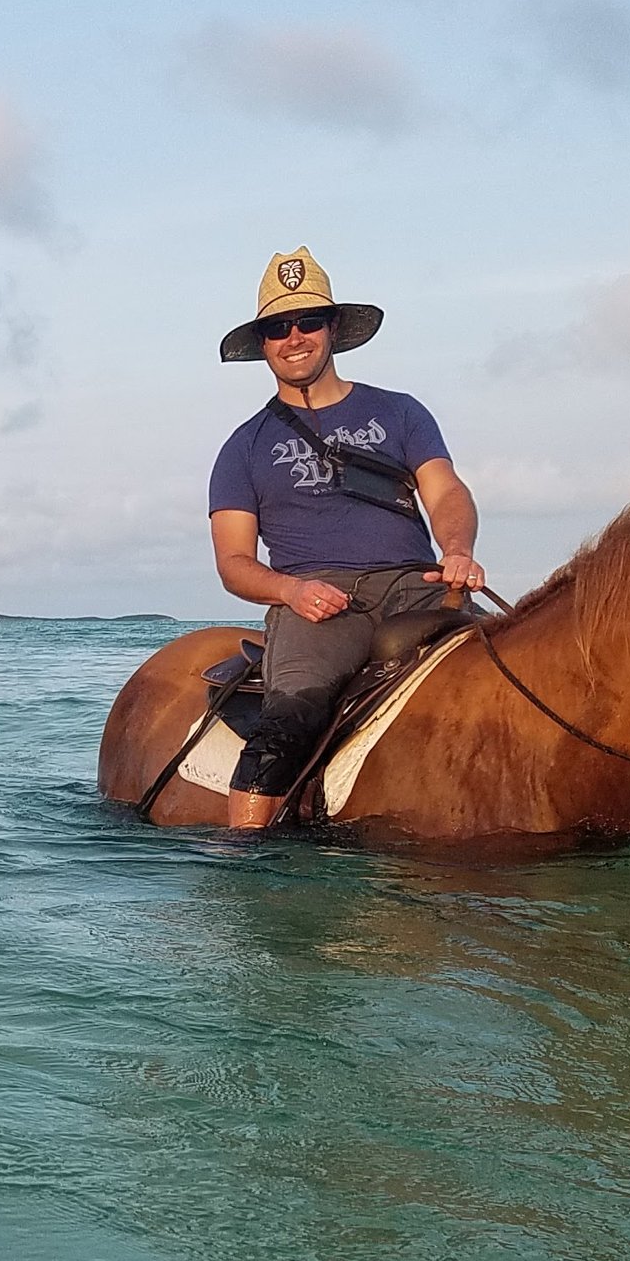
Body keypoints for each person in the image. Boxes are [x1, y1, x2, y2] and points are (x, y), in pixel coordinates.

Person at [206, 248, 487, 828]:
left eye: (308, 321)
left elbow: (446, 492)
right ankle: (242, 861)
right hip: (317, 604)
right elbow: (234, 563)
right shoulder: (243, 448)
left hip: (420, 586)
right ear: (263, 342)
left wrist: (457, 551)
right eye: (277, 327)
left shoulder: (402, 412)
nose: (294, 337)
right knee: (290, 718)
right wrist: (289, 591)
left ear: (332, 328)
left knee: (512, 674)